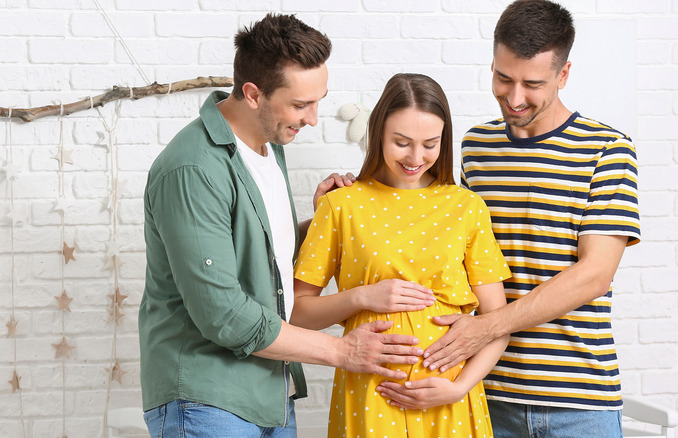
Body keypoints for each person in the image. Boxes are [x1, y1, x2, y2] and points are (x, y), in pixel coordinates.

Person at [138, 14, 424, 437]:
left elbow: (261, 264)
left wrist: (317, 222)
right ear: (253, 94)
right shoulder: (192, 168)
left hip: (269, 392)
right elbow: (224, 315)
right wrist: (342, 351)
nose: (312, 118)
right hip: (206, 400)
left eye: (318, 100)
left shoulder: (268, 147)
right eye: (300, 104)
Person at [387, 1, 642, 437]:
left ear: (563, 76)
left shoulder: (607, 149)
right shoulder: (476, 146)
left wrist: (483, 329)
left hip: (577, 402)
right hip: (484, 393)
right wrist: (352, 197)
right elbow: (439, 236)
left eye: (533, 83)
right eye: (503, 78)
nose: (515, 96)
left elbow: (595, 275)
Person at [291, 73, 513, 437]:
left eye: (430, 144)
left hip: (450, 399)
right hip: (371, 394)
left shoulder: (466, 207)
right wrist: (362, 297)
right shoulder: (341, 204)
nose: (415, 157)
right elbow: (298, 314)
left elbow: (497, 322)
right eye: (401, 142)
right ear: (378, 133)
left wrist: (459, 387)